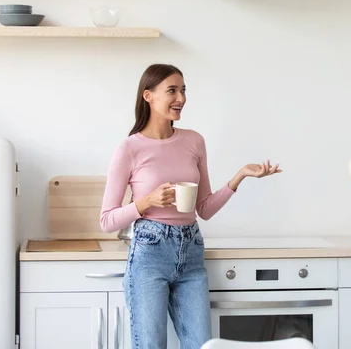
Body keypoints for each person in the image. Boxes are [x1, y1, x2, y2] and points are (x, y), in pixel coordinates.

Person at [100, 64, 281, 349]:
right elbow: (108, 220)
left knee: (202, 345)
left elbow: (204, 209)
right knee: (151, 345)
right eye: (171, 90)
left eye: (183, 90)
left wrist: (240, 175)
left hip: (192, 251)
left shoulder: (194, 141)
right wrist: (146, 202)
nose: (181, 98)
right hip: (150, 253)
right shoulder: (129, 148)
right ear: (148, 96)